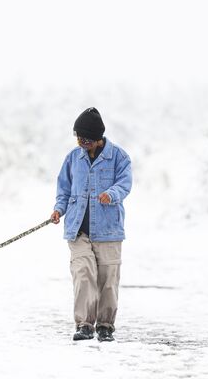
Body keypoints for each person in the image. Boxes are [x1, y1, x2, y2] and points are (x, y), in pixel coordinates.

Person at [51, 107, 132, 342]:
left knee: (108, 279)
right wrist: (59, 209)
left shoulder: (119, 157)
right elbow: (63, 189)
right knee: (83, 274)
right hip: (78, 230)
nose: (80, 142)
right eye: (77, 137)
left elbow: (125, 184)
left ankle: (105, 325)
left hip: (108, 231)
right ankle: (84, 324)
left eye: (84, 138)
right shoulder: (72, 158)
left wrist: (112, 194)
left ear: (98, 138)